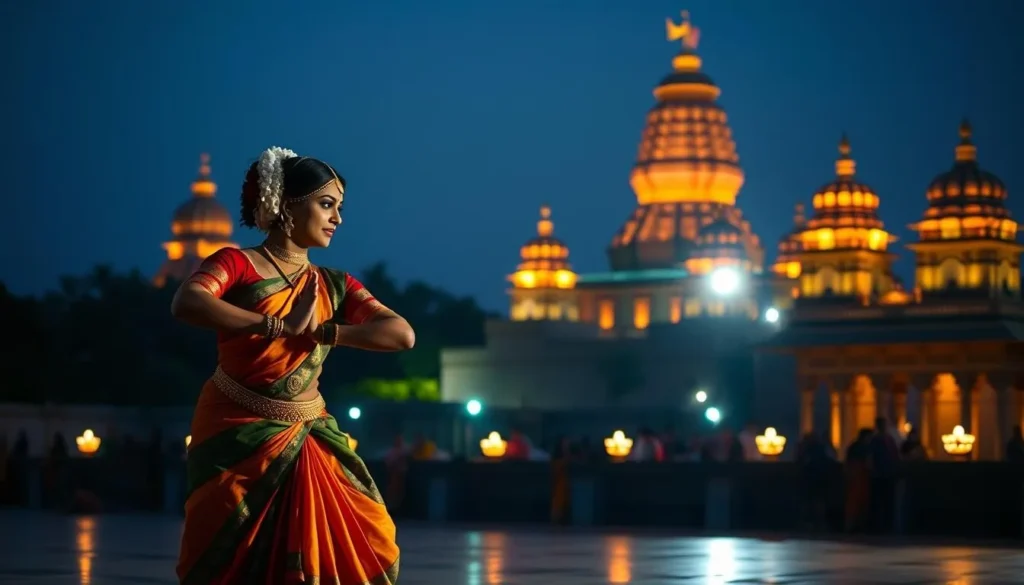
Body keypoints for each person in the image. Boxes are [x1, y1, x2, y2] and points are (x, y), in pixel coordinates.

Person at [172, 147, 415, 585]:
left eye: (339, 208)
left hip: (310, 433)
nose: (337, 218)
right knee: (232, 553)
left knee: (365, 534)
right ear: (286, 206)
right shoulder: (237, 263)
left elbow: (401, 334)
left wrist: (326, 332)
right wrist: (274, 326)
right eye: (326, 204)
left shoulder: (334, 285)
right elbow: (189, 301)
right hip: (237, 430)